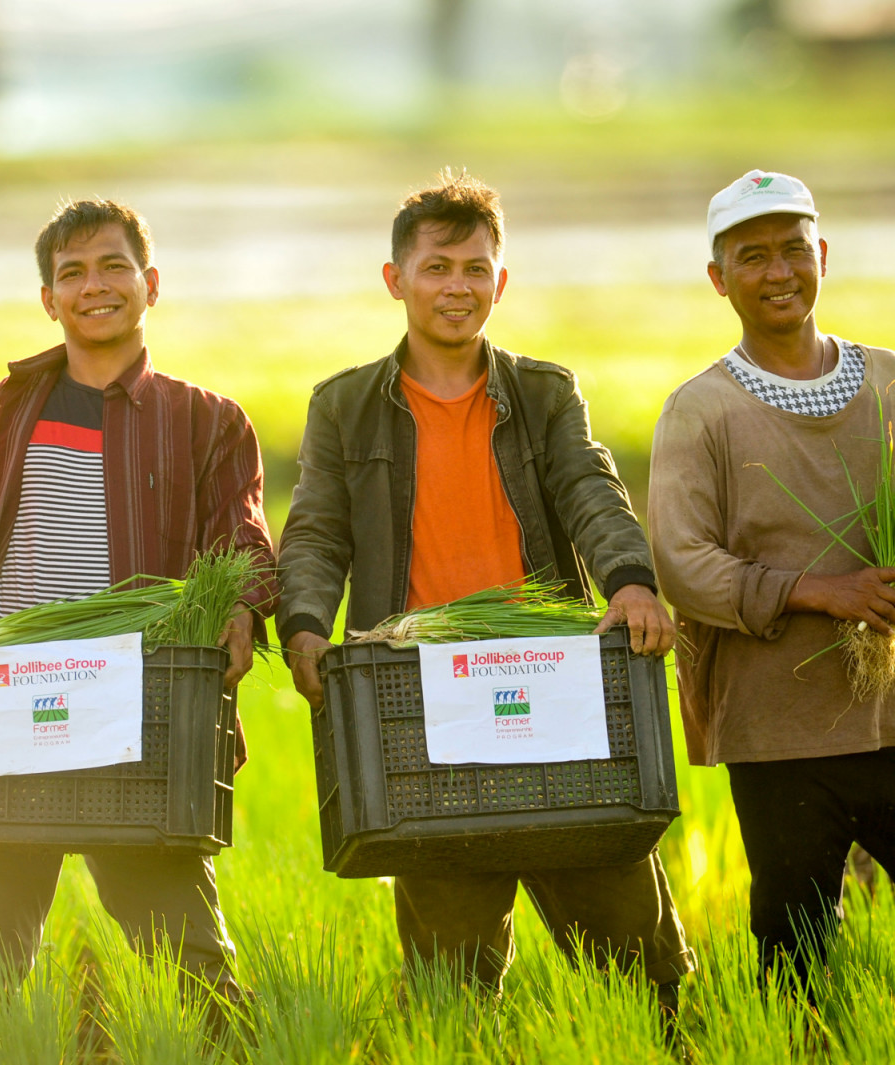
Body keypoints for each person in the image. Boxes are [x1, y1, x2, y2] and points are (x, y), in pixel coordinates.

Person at [277, 171, 694, 1010]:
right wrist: (304, 627)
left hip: (558, 695)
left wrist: (632, 581)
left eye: (475, 268)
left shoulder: (543, 394)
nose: (457, 287)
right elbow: (317, 531)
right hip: (423, 711)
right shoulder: (345, 408)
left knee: (638, 959)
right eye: (437, 267)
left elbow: (590, 489)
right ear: (396, 280)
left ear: (500, 282)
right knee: (451, 981)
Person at [0, 198, 277, 1044]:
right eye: (72, 273)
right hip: (6, 714)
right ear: (47, 298)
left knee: (190, 957)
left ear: (151, 284)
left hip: (142, 722)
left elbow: (243, 538)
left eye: (112, 267)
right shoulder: (1, 412)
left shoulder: (206, 419)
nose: (93, 286)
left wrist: (242, 612)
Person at [647, 169, 895, 983]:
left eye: (792, 250)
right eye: (752, 257)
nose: (778, 272)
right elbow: (683, 563)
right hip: (780, 738)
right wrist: (823, 589)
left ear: (822, 254)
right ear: (719, 278)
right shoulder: (699, 411)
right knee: (799, 966)